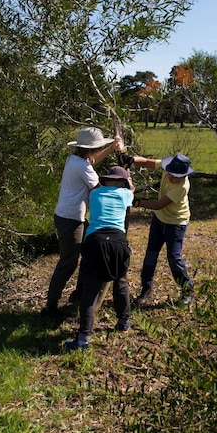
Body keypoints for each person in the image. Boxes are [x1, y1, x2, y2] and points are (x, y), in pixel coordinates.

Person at [43, 127, 123, 318]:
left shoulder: (75, 160)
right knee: (68, 263)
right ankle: (50, 307)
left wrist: (112, 148)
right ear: (92, 149)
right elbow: (100, 190)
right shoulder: (83, 167)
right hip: (71, 220)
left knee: (88, 253)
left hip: (68, 216)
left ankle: (77, 294)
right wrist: (125, 188)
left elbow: (93, 161)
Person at [64, 166, 134, 351]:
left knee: (90, 290)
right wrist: (129, 180)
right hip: (118, 242)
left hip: (95, 241)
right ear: (123, 182)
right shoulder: (126, 195)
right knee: (120, 282)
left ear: (105, 180)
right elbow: (131, 191)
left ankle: (83, 338)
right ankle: (124, 321)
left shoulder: (95, 194)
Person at [128, 152, 195, 307]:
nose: (171, 177)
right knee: (151, 254)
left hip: (176, 223)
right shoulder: (167, 167)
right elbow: (145, 162)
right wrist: (132, 160)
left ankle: (187, 290)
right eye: (170, 174)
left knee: (174, 258)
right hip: (159, 219)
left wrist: (136, 202)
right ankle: (146, 289)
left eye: (176, 176)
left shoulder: (183, 186)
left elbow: (158, 205)